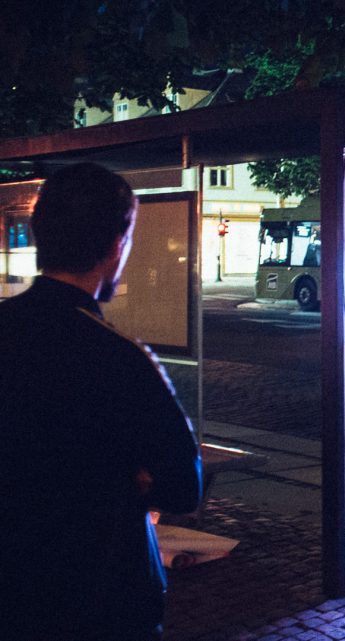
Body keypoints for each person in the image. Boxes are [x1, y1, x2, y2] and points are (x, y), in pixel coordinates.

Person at [0, 163, 202, 640]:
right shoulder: (122, 359)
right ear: (116, 245)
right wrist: (126, 475)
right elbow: (182, 486)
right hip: (103, 595)